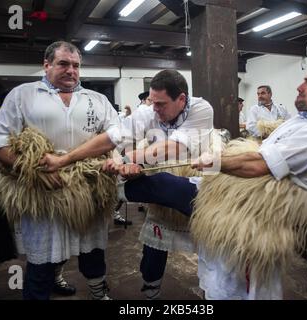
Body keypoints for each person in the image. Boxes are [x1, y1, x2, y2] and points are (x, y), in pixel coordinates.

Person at [112, 54, 307, 300]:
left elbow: (258, 164)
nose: (299, 86)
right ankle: (118, 187)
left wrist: (215, 161)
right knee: (163, 188)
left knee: (237, 286)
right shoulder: (306, 121)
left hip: (253, 211)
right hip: (236, 194)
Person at [43, 69, 214, 299]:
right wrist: (65, 159)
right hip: (160, 184)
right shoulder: (149, 111)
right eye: (152, 102)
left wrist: (126, 160)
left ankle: (212, 292)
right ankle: (151, 292)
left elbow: (175, 148)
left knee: (212, 246)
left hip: (198, 183)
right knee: (156, 239)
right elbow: (112, 137)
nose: (154, 109)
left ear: (181, 99)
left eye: (161, 104)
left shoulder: (201, 108)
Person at [0, 41, 121, 300]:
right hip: (42, 192)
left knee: (92, 252)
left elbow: (116, 135)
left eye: (76, 66)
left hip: (88, 190)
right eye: (63, 64)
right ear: (46, 65)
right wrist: (34, 172)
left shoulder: (98, 100)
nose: (71, 70)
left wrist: (114, 159)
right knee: (43, 260)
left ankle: (98, 293)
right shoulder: (23, 95)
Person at [0, 118, 77, 296]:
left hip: (45, 198)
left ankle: (55, 277)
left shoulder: (49, 122)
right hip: (4, 198)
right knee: (6, 246)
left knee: (55, 244)